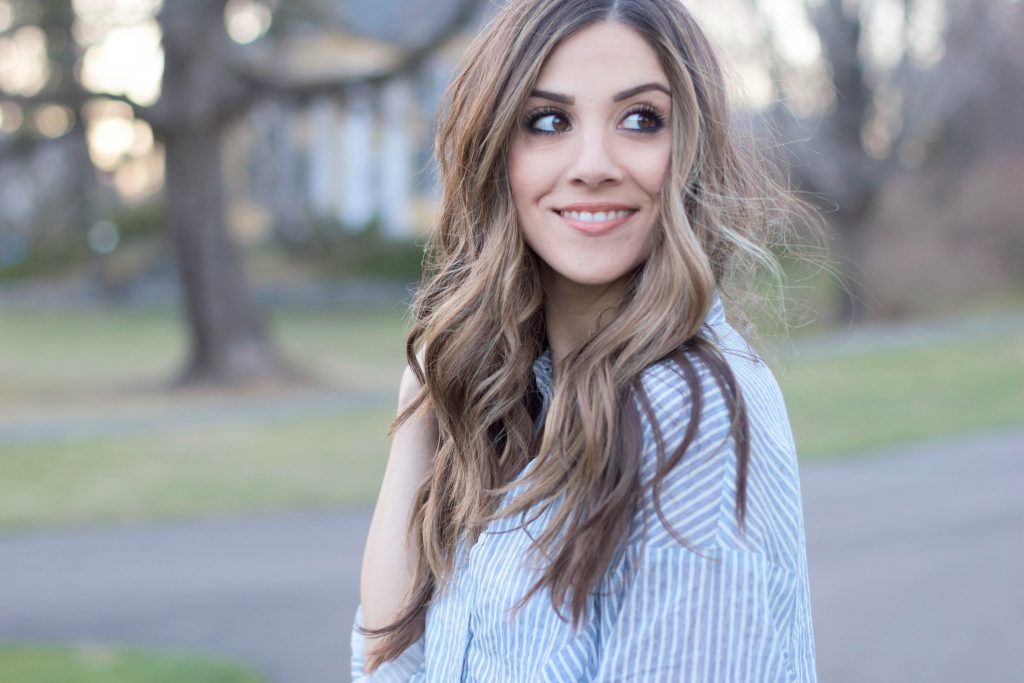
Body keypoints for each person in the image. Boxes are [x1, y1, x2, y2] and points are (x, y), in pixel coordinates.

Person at [353, 0, 817, 680]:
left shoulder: (689, 411)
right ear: (495, 151)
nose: (593, 163)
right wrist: (422, 401)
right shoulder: (512, 394)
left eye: (640, 119)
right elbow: (385, 665)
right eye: (548, 121)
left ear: (688, 147)